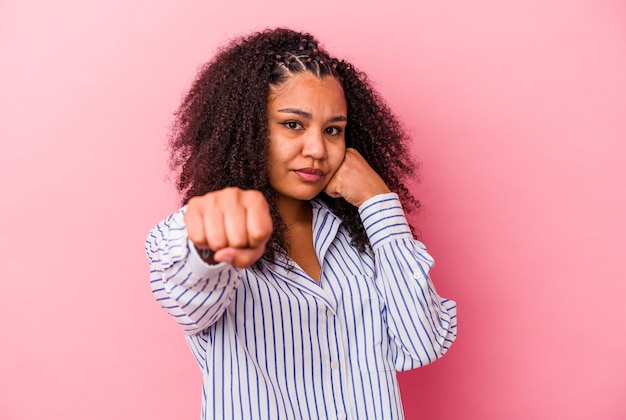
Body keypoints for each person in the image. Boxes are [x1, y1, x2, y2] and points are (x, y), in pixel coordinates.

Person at [145, 27, 457, 420]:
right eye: (293, 124)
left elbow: (422, 343)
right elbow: (187, 294)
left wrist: (379, 204)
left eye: (333, 130)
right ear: (248, 129)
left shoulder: (357, 238)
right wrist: (210, 242)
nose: (318, 150)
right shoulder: (202, 231)